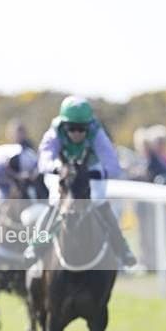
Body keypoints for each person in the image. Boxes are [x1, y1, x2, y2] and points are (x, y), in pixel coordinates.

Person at [27, 95, 136, 266]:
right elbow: (44, 159)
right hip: (64, 170)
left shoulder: (97, 132)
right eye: (72, 128)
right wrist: (56, 168)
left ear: (88, 125)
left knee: (99, 201)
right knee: (55, 202)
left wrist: (102, 173)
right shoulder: (55, 131)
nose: (77, 133)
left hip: (90, 170)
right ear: (64, 124)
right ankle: (36, 245)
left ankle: (122, 248)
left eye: (81, 128)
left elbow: (112, 163)